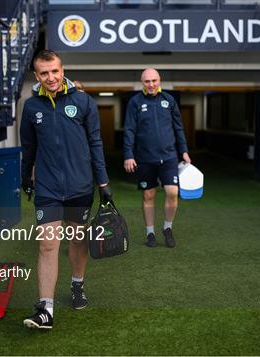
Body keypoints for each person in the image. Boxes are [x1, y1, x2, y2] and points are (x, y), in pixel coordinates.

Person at [20, 49, 111, 329]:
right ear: (37, 75)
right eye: (44, 73)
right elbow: (29, 147)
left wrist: (103, 182)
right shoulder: (31, 106)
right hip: (47, 187)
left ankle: (77, 285)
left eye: (55, 71)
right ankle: (45, 309)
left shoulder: (82, 101)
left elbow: (95, 143)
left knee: (77, 240)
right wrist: (25, 177)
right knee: (47, 244)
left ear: (63, 70)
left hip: (80, 186)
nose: (50, 77)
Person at [123, 68, 191, 248]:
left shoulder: (169, 101)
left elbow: (178, 127)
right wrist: (128, 155)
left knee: (172, 192)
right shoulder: (135, 102)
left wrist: (183, 150)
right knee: (148, 195)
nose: (151, 84)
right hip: (145, 158)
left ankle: (167, 228)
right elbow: (129, 129)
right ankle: (150, 233)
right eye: (147, 81)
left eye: (154, 80)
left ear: (159, 80)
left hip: (169, 156)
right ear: (142, 82)